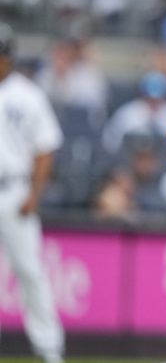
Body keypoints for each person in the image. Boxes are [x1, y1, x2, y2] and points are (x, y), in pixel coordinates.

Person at [0, 22, 65, 363]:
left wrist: (34, 194)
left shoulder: (28, 94)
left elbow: (45, 149)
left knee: (29, 272)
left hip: (14, 190)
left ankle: (49, 348)